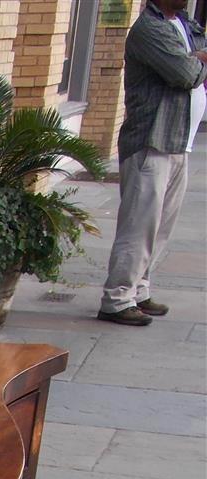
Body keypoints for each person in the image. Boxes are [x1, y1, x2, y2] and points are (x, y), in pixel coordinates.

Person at [98, 0, 207, 325]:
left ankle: (138, 290)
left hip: (178, 142)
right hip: (151, 141)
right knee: (139, 225)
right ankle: (116, 299)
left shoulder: (185, 25)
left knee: (161, 226)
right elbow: (185, 74)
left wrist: (197, 57)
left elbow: (197, 55)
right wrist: (197, 60)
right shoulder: (149, 27)